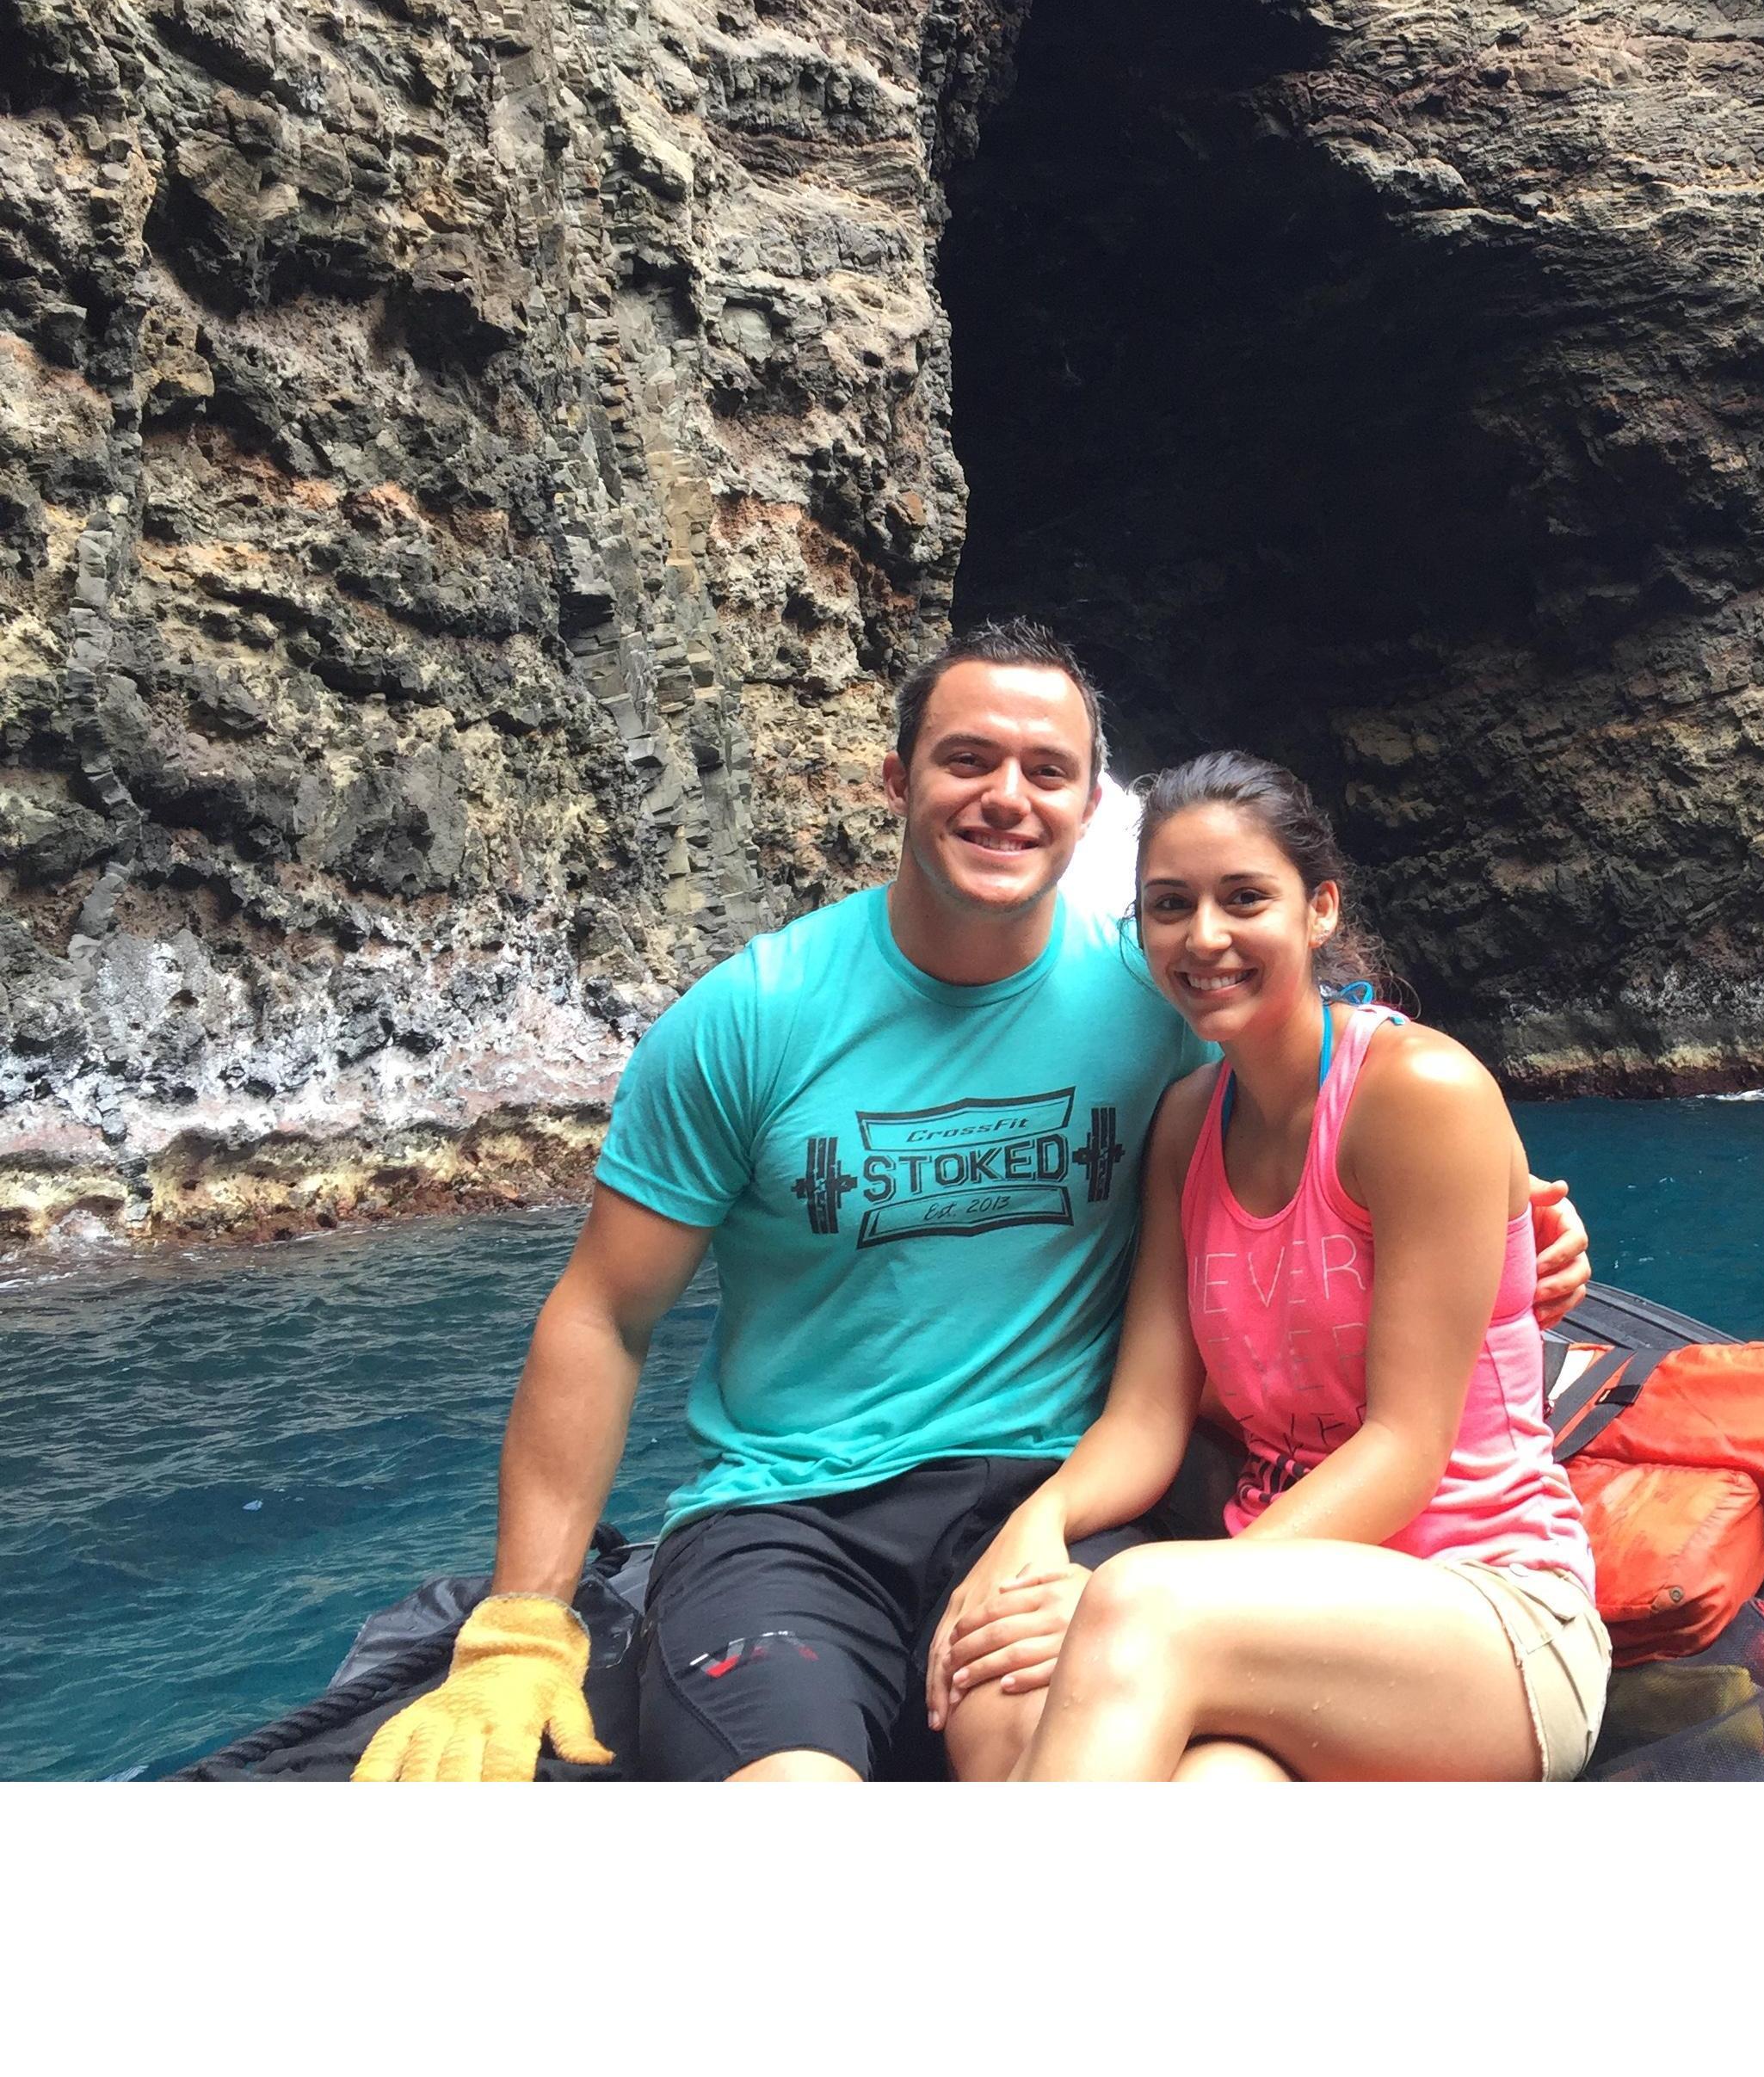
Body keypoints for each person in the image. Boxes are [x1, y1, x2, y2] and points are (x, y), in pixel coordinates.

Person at [354, 625, 1590, 1783]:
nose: (1007, 796)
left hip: (1053, 1484)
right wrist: (522, 1622)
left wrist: (1519, 1214)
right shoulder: (750, 1019)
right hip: (792, 1512)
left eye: (1047, 770)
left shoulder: (1157, 999)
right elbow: (604, 1316)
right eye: (967, 760)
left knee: (1034, 1743)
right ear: (897, 781)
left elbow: (1337, 1067)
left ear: (1089, 809)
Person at [925, 751, 1610, 1784]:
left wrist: (1157, 1600)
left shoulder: (1419, 1093)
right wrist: (1036, 1528)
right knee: (1008, 1703)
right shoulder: (1186, 1125)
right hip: (1266, 1618)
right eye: (1170, 906)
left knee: (1134, 1607)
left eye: (1244, 898)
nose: (1204, 937)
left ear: (1319, 909)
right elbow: (1146, 1417)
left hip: (1486, 1610)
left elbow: (1405, 1448)